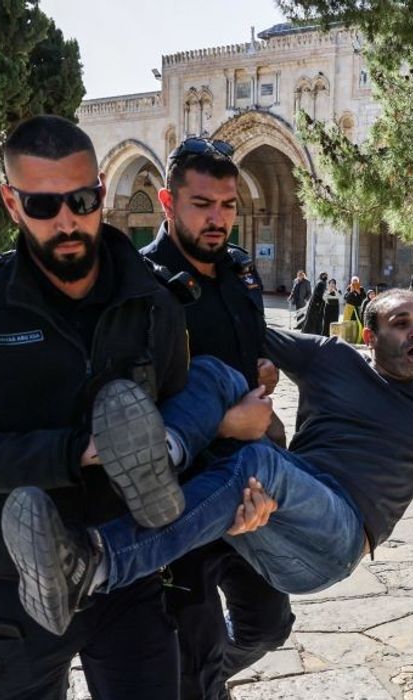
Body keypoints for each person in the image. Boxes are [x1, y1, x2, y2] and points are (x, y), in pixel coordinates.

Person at [1, 289, 413, 638]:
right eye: (401, 323)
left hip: (337, 537)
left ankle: (97, 564)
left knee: (260, 460)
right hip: (272, 519)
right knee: (225, 377)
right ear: (368, 333)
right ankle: (166, 453)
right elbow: (241, 334)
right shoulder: (331, 360)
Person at [0, 114, 191, 699]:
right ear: (12, 203)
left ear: (101, 192)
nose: (67, 220)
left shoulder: (154, 301)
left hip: (127, 574)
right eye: (43, 205)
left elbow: (180, 418)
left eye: (83, 199)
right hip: (15, 583)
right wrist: (71, 453)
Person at [142, 136, 294, 699]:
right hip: (181, 498)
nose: (218, 219)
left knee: (269, 623)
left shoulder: (239, 270)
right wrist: (227, 423)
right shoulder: (143, 285)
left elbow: (247, 350)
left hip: (246, 485)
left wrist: (262, 372)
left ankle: (201, 684)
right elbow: (137, 406)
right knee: (195, 647)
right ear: (167, 201)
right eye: (202, 204)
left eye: (228, 205)